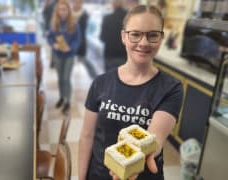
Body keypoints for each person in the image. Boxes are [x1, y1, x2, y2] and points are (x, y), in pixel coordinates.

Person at [78, 5, 183, 180]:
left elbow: (153, 140)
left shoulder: (171, 88)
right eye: (135, 34)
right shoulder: (101, 83)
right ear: (123, 37)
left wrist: (133, 163)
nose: (143, 43)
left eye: (152, 35)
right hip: (99, 174)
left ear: (161, 38)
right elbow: (87, 136)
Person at [47, 0, 81, 114]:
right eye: (60, 9)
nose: (62, 12)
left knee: (66, 78)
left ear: (68, 11)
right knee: (60, 78)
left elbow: (77, 40)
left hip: (69, 55)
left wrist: (70, 47)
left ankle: (67, 101)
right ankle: (61, 97)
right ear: (57, 11)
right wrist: (53, 44)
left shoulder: (74, 24)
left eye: (64, 9)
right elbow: (49, 37)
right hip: (57, 55)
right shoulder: (54, 23)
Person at [71, 0, 97, 79]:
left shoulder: (85, 14)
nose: (77, 3)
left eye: (79, 2)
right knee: (67, 66)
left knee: (85, 61)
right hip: (70, 43)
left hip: (81, 43)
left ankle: (96, 79)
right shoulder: (69, 13)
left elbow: (88, 29)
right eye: (75, 2)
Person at [100, 0, 127, 72]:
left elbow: (102, 37)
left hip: (110, 55)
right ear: (123, 4)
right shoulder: (129, 19)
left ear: (113, 5)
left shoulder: (107, 18)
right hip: (125, 55)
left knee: (110, 80)